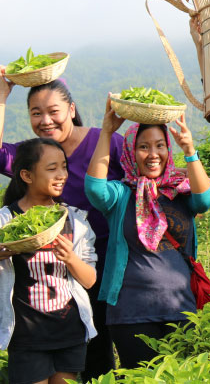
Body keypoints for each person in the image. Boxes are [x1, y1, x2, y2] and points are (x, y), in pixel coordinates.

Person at [0, 74, 121, 378]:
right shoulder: (32, 153)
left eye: (53, 111)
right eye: (36, 113)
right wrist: (2, 97)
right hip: (49, 274)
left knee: (96, 352)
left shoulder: (103, 141)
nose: (45, 120)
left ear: (71, 108)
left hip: (100, 263)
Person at [84, 99, 210, 369]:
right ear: (131, 152)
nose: (153, 154)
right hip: (132, 314)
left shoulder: (180, 189)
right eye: (143, 147)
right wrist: (106, 132)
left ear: (169, 148)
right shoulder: (121, 195)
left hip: (182, 308)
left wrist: (189, 150)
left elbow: (205, 200)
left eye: (160, 145)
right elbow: (95, 189)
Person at [0, 138, 97, 384]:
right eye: (52, 168)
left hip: (69, 333)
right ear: (27, 175)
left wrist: (71, 258)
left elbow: (89, 280)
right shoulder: (6, 221)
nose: (62, 174)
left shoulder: (74, 220)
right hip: (26, 337)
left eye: (64, 167)